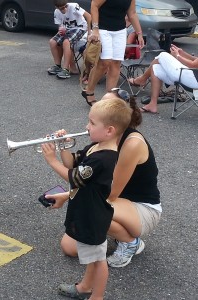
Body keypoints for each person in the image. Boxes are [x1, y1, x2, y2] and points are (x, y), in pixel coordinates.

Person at [46, 89, 162, 268]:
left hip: (141, 208)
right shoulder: (104, 138)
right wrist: (62, 146)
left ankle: (130, 242)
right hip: (113, 202)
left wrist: (68, 196)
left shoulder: (132, 144)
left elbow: (112, 193)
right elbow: (74, 166)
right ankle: (109, 232)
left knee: (90, 207)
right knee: (69, 247)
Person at [41, 98, 133, 299]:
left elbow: (73, 178)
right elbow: (74, 164)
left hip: (92, 215)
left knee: (98, 260)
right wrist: (63, 147)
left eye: (92, 123)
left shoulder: (104, 157)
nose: (86, 126)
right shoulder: (96, 146)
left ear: (109, 130)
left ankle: (96, 296)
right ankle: (84, 287)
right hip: (86, 210)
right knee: (92, 257)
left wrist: (51, 160)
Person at [81, 0, 144, 106]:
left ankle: (109, 98)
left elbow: (132, 14)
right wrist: (95, 29)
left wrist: (139, 34)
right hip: (103, 29)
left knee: (116, 64)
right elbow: (94, 5)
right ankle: (89, 91)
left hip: (120, 31)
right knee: (104, 63)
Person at [128, 44, 198, 113]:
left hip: (193, 79)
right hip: (192, 77)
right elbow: (195, 62)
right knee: (156, 68)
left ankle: (142, 79)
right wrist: (183, 54)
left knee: (162, 55)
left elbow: (193, 65)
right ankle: (152, 104)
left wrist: (177, 56)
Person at [47, 0, 91, 79]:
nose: (65, 9)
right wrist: (61, 30)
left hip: (80, 28)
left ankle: (66, 69)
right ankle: (57, 65)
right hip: (67, 29)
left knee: (66, 42)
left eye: (65, 6)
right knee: (52, 42)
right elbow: (60, 26)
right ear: (57, 7)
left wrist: (89, 31)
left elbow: (89, 16)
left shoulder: (74, 6)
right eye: (62, 8)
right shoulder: (56, 12)